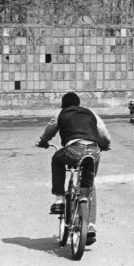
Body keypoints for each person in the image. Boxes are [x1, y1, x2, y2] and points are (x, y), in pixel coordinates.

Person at [38, 92, 111, 245]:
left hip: (73, 150)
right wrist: (105, 145)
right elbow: (104, 133)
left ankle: (59, 200)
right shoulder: (90, 113)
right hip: (93, 151)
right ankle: (90, 226)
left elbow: (50, 130)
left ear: (63, 104)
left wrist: (43, 141)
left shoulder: (61, 112)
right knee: (89, 185)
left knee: (56, 159)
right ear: (78, 104)